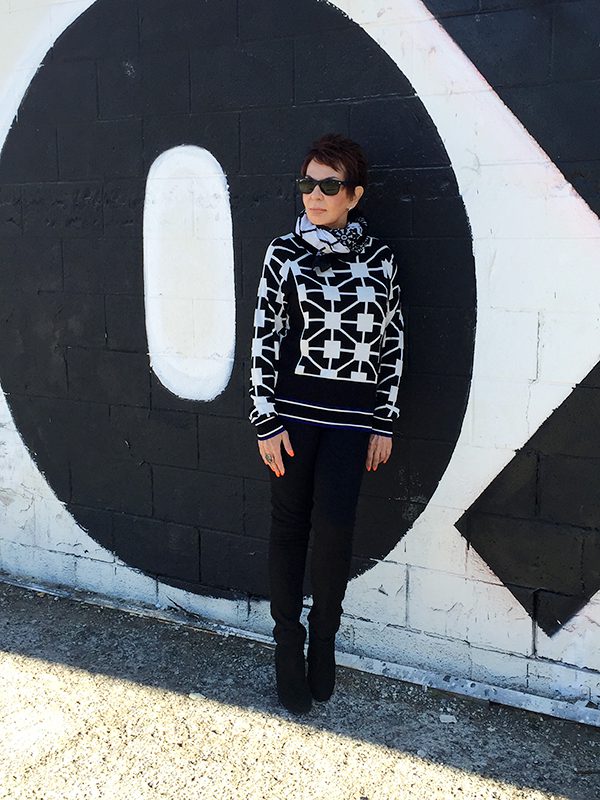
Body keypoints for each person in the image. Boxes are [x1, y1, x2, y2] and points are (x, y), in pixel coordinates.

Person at [248, 133, 404, 714]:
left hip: (351, 424)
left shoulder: (380, 259)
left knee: (335, 529)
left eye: (329, 185)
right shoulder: (283, 253)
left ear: (353, 194)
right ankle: (287, 642)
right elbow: (265, 336)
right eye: (308, 183)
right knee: (290, 527)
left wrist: (383, 422)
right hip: (291, 419)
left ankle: (324, 638)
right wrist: (265, 420)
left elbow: (391, 342)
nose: (315, 195)